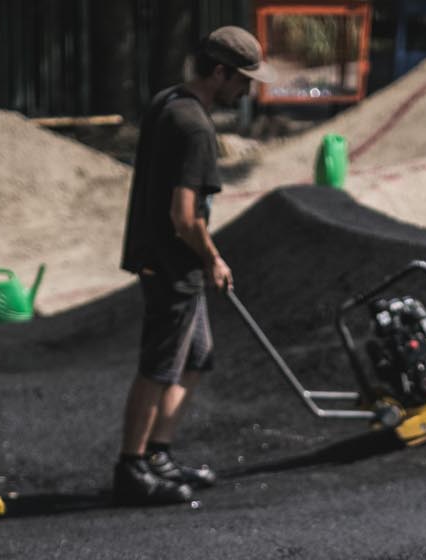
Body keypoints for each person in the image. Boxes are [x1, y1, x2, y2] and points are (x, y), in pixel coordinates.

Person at [113, 26, 261, 507]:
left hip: (162, 257)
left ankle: (158, 452)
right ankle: (131, 467)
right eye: (243, 79)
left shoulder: (167, 102)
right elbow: (184, 216)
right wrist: (213, 258)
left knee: (197, 357)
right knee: (160, 366)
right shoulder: (196, 127)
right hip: (173, 264)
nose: (247, 90)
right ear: (220, 72)